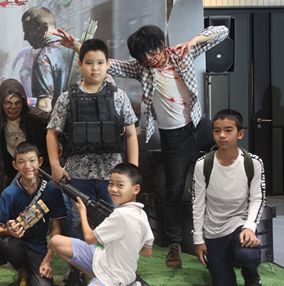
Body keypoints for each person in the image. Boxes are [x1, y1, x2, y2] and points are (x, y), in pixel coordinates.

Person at [55, 24, 229, 269]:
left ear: (161, 44)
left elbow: (222, 32)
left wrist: (196, 40)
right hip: (173, 137)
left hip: (199, 125)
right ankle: (174, 244)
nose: (150, 58)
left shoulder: (182, 53)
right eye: (143, 55)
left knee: (229, 150)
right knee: (173, 191)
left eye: (152, 51)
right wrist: (75, 45)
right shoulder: (141, 67)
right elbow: (107, 64)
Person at [46, 39, 138, 286]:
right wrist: (54, 165)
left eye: (99, 63)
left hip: (113, 177)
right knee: (77, 225)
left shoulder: (118, 96)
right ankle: (76, 272)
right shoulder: (68, 98)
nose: (94, 68)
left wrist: (133, 171)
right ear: (80, 65)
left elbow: (131, 134)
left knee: (117, 226)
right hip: (78, 175)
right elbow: (52, 132)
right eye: (89, 63)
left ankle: (124, 272)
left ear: (107, 64)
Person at [49, 163, 154, 286]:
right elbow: (147, 251)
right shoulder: (141, 214)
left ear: (136, 189)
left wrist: (83, 213)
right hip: (104, 260)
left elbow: (89, 238)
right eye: (111, 183)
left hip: (113, 277)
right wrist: (127, 242)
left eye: (120, 185)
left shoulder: (120, 215)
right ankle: (109, 284)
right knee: (55, 242)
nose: (113, 189)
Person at [192, 109, 265, 286]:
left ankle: (250, 273)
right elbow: (198, 204)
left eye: (228, 130)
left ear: (240, 133)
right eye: (217, 130)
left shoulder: (253, 163)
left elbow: (257, 198)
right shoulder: (203, 164)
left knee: (248, 255)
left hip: (239, 223)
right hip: (214, 229)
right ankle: (222, 262)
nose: (222, 135)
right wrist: (198, 239)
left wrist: (250, 227)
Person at [0, 142, 66, 286]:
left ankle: (33, 269)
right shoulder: (9, 193)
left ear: (40, 162)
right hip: (16, 244)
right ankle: (22, 272)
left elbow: (56, 229)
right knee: (7, 243)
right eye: (21, 162)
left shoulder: (51, 190)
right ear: (15, 165)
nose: (27, 166)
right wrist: (8, 231)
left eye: (32, 161)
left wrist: (48, 260)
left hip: (38, 246)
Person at [21, 6, 71, 112]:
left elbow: (44, 106)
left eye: (28, 31)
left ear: (45, 27)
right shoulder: (82, 46)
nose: (25, 37)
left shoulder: (43, 56)